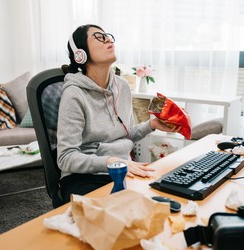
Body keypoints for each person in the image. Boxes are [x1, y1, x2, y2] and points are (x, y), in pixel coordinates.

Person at [57, 24, 179, 203]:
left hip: (122, 170)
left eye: (107, 35)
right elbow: (66, 158)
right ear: (80, 54)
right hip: (86, 177)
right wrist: (110, 162)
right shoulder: (74, 94)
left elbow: (127, 134)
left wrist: (151, 125)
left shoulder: (121, 86)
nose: (107, 39)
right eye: (98, 37)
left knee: (166, 199)